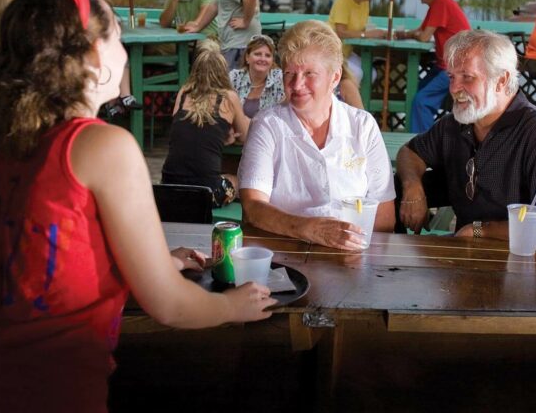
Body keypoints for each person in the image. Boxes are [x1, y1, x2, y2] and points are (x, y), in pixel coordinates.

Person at [0, 0, 273, 413]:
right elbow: (170, 307)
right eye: (117, 37)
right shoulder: (104, 144)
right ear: (96, 57)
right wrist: (231, 306)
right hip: (46, 407)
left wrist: (156, 260)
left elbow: (54, 250)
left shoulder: (18, 141)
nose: (124, 50)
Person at [396, 29, 536, 246]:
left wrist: (480, 231)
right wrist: (413, 188)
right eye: (451, 77)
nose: (455, 88)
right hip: (469, 258)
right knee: (392, 192)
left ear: (501, 80)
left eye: (467, 77)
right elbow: (410, 152)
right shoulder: (457, 124)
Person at [238, 20, 396, 250]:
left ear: (334, 78)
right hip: (284, 253)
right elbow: (253, 208)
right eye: (289, 73)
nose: (297, 84)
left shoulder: (362, 127)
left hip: (352, 256)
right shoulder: (268, 125)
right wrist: (308, 229)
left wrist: (345, 244)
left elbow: (384, 218)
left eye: (309, 73)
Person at [162, 40, 250, 206]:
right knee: (236, 180)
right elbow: (245, 136)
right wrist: (228, 135)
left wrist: (219, 133)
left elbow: (182, 129)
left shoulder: (184, 93)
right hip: (206, 194)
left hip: (168, 187)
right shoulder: (228, 97)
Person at [394, 0, 471, 132]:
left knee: (421, 101)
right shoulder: (438, 3)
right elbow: (421, 30)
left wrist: (410, 35)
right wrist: (407, 34)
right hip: (444, 65)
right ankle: (416, 138)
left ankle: (423, 146)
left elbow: (423, 37)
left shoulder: (441, 3)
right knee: (414, 93)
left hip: (456, 68)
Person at [328, 0, 386, 83]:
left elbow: (361, 28)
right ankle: (344, 99)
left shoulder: (364, 3)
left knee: (371, 74)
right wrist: (367, 34)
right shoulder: (343, 0)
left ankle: (356, 99)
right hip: (332, 53)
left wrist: (378, 33)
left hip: (347, 53)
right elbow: (341, 32)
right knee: (357, 74)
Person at [230, 34, 285, 118]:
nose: (263, 59)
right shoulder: (234, 77)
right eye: (258, 54)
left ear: (272, 60)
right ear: (247, 57)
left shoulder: (280, 78)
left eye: (267, 55)